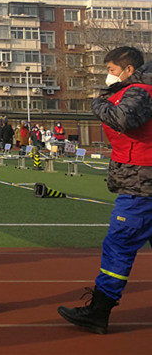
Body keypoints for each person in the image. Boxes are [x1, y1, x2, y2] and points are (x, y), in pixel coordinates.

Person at [58, 46, 152, 335]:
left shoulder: (139, 91)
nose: (108, 75)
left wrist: (98, 103)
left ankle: (99, 310)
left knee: (119, 245)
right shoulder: (139, 90)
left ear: (129, 69)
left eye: (111, 70)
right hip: (140, 179)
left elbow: (124, 119)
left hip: (141, 184)